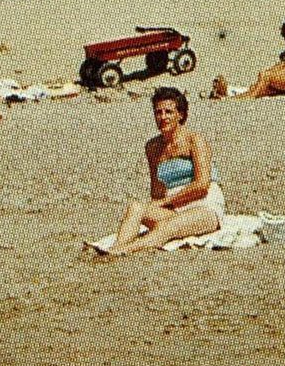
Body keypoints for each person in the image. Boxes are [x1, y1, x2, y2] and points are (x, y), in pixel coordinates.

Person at [94, 86, 223, 260]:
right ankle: (116, 246)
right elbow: (157, 192)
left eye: (168, 112)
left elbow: (201, 186)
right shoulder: (153, 147)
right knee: (136, 207)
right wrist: (159, 205)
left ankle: (124, 250)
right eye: (158, 112)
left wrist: (165, 202)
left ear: (180, 115)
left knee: (168, 226)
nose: (163, 117)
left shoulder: (194, 140)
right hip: (174, 208)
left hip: (204, 205)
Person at [235, 19, 285, 99]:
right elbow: (278, 68)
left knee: (266, 76)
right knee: (259, 87)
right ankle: (237, 98)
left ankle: (251, 97)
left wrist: (280, 67)